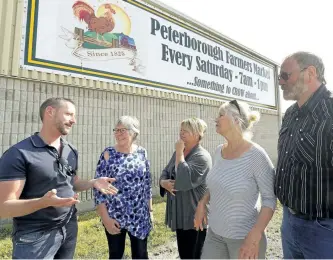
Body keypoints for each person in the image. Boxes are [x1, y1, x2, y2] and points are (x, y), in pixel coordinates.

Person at [0, 97, 118, 259]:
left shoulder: (71, 150)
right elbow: (4, 207)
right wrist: (43, 203)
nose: (74, 121)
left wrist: (93, 182)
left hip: (68, 228)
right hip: (35, 236)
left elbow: (73, 183)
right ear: (50, 112)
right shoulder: (19, 154)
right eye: (69, 114)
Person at [194, 100, 276, 259]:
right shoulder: (219, 151)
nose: (215, 119)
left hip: (244, 238)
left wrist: (255, 235)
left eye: (220, 115)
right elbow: (215, 184)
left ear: (236, 120)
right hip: (215, 234)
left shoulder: (257, 155)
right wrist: (202, 202)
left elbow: (269, 200)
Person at [275, 51, 333, 259]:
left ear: (310, 73)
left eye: (285, 75)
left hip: (324, 231)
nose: (280, 81)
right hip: (289, 223)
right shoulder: (290, 115)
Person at [94, 116, 153, 259]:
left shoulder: (141, 153)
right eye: (116, 130)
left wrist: (150, 211)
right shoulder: (108, 154)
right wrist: (105, 218)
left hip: (139, 215)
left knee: (140, 255)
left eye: (123, 130)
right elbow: (98, 189)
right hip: (115, 215)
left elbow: (147, 184)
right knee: (115, 255)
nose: (118, 134)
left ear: (133, 133)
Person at [159, 117, 212, 259]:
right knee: (184, 254)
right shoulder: (179, 152)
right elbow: (165, 172)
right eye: (180, 130)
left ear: (196, 134)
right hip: (180, 214)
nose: (181, 134)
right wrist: (164, 183)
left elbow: (183, 181)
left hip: (194, 215)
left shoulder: (202, 157)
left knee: (194, 254)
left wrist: (179, 154)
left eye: (186, 131)